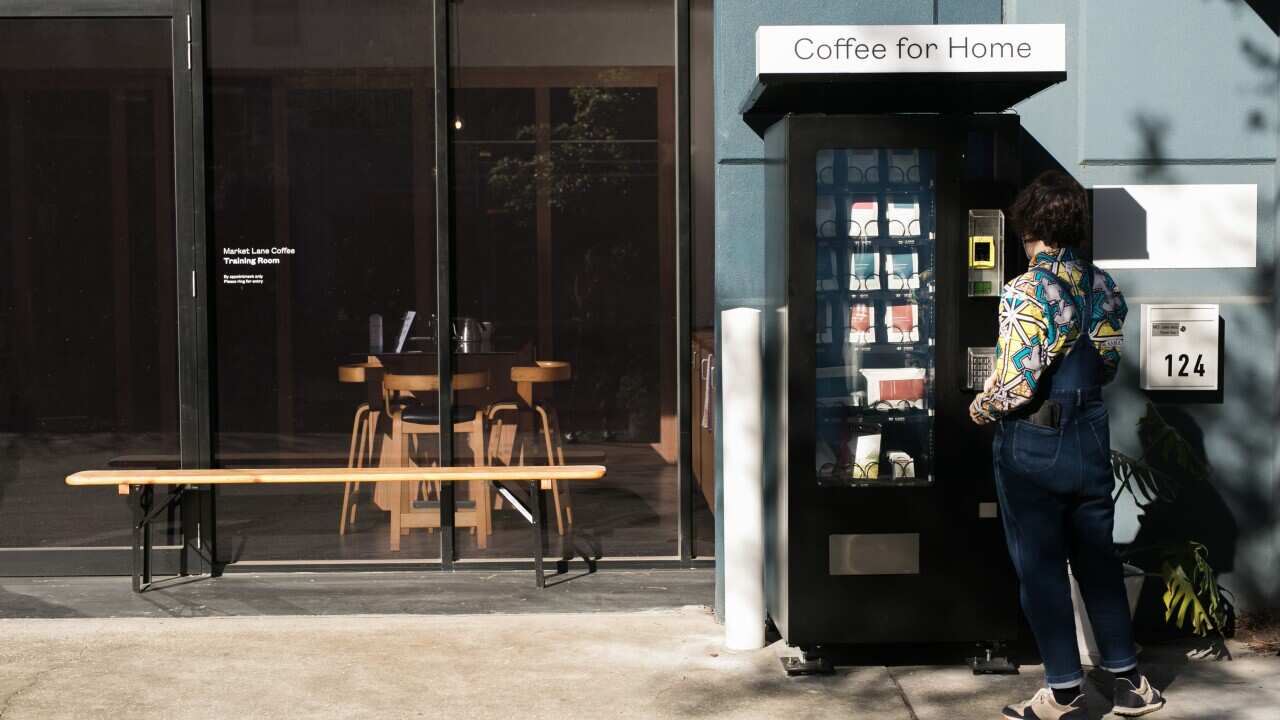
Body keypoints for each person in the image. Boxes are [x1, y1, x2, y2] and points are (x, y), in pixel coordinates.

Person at [969, 170, 1165, 719]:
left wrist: (980, 408)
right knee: (1098, 560)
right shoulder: (1102, 284)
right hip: (1089, 431)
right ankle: (1130, 683)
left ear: (1026, 226)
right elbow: (1107, 364)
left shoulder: (1025, 290)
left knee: (1041, 567)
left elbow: (1016, 385)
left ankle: (1062, 691)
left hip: (1035, 438)